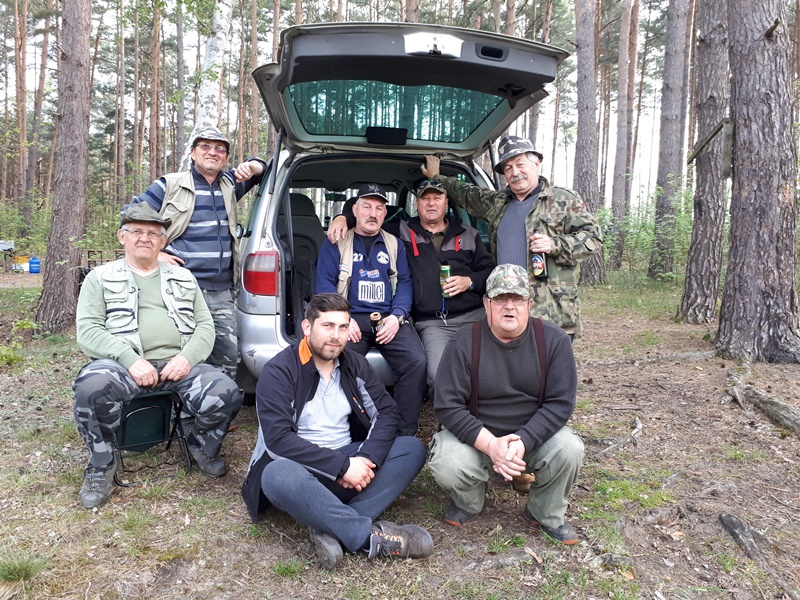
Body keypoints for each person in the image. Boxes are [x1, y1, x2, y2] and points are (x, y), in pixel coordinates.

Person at [241, 293, 433, 568]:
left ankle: (330, 525)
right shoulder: (279, 371)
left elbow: (388, 413)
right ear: (307, 327)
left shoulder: (354, 364)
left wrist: (364, 459)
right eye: (327, 326)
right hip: (301, 470)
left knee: (411, 449)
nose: (336, 336)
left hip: (350, 461)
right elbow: (278, 441)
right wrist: (342, 467)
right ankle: (366, 537)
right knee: (276, 475)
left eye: (343, 327)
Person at [73, 203, 244, 509]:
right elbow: (88, 331)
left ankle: (200, 444)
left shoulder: (183, 277)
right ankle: (101, 464)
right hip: (122, 366)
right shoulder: (99, 277)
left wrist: (187, 358)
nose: (145, 238)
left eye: (153, 234)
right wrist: (130, 360)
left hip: (178, 364)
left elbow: (205, 326)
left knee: (227, 392)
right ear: (122, 236)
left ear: (163, 241)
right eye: (136, 231)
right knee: (91, 388)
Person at [428, 264, 584, 544]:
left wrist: (523, 441)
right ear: (486, 304)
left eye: (517, 299)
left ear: (529, 304)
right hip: (478, 440)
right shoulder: (463, 342)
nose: (509, 306)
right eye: (500, 298)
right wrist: (491, 445)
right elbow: (448, 405)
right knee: (448, 461)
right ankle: (469, 502)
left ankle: (544, 513)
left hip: (533, 437)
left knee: (569, 448)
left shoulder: (554, 340)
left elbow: (561, 403)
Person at [422, 135, 602, 339]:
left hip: (551, 312)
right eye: (508, 168)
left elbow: (593, 238)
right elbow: (466, 193)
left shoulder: (563, 199)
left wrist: (554, 245)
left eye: (520, 164)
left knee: (550, 359)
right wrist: (436, 177)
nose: (515, 172)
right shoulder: (498, 202)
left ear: (536, 163)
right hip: (508, 311)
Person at [327, 179, 495, 391]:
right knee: (437, 377)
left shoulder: (468, 233)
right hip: (433, 322)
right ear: (417, 203)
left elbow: (490, 272)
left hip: (474, 315)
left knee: (494, 369)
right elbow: (370, 217)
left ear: (446, 203)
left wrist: (469, 282)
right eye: (425, 198)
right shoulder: (400, 231)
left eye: (437, 198)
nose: (431, 203)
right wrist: (342, 218)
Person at [129, 126, 267, 379]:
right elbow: (132, 216)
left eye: (220, 149)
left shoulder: (230, 184)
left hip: (221, 290)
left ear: (226, 158)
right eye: (205, 146)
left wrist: (253, 166)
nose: (212, 152)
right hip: (179, 288)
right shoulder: (169, 184)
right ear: (193, 153)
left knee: (226, 355)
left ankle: (219, 401)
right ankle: (180, 402)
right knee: (179, 353)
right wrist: (156, 253)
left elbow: (264, 171)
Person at [316, 184, 427, 435]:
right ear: (354, 210)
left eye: (379, 208)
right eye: (366, 207)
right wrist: (343, 318)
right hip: (350, 318)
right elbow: (323, 284)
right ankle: (356, 430)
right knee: (342, 362)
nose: (372, 214)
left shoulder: (395, 244)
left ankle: (403, 432)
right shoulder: (337, 242)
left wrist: (397, 317)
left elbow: (405, 283)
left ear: (385, 213)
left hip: (387, 318)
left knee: (416, 362)